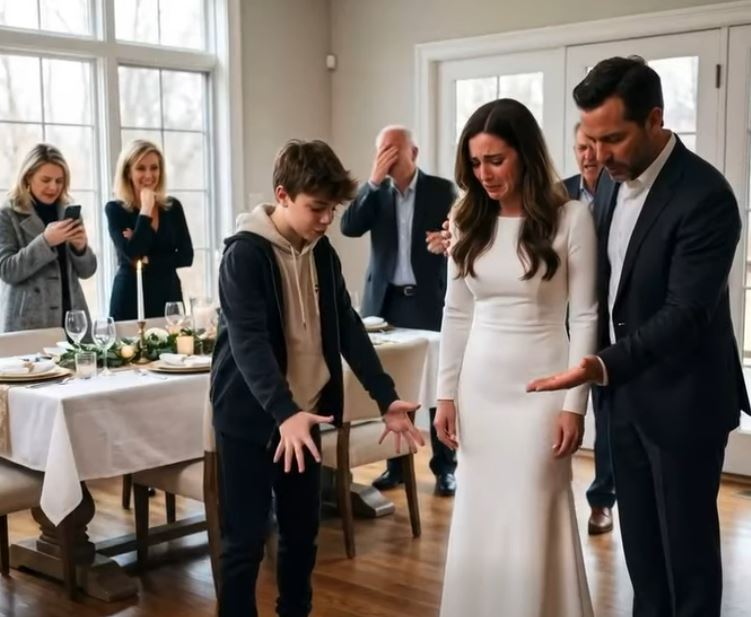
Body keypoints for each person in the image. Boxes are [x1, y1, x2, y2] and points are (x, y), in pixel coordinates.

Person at [528, 56, 751, 617]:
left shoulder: (706, 196)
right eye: (590, 140)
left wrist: (601, 365)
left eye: (613, 138)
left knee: (687, 562)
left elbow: (686, 313)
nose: (598, 156)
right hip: (623, 401)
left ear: (655, 119)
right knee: (643, 557)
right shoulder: (607, 184)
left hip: (685, 403)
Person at [210, 139, 425, 617]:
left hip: (305, 417)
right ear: (282, 195)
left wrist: (386, 398)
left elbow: (347, 326)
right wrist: (283, 412)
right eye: (317, 208)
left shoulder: (322, 252)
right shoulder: (244, 255)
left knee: (301, 534)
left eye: (332, 209)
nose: (327, 219)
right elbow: (248, 343)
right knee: (244, 541)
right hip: (250, 417)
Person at [434, 98, 597, 617]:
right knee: (481, 513)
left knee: (533, 508)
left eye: (496, 160)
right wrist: (444, 396)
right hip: (479, 392)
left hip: (543, 391)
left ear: (525, 155)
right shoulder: (465, 218)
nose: (484, 174)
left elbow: (587, 317)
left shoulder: (571, 218)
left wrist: (574, 404)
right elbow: (456, 312)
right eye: (475, 163)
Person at [340, 125, 459, 496]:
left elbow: (459, 232)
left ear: (414, 153)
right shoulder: (375, 194)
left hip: (428, 301)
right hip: (385, 304)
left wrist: (448, 239)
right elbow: (348, 227)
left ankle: (445, 468)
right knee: (393, 383)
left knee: (438, 382)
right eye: (381, 150)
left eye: (394, 150)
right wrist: (373, 182)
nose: (387, 157)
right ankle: (397, 466)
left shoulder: (441, 190)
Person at [564, 123, 616, 535]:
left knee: (608, 417)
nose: (589, 155)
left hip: (615, 321)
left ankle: (602, 500)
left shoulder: (623, 189)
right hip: (571, 321)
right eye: (582, 147)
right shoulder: (558, 195)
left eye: (595, 147)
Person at [0, 143, 96, 332]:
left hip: (73, 320)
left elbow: (87, 271)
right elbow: (6, 270)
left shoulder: (69, 212)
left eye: (59, 181)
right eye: (46, 180)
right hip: (28, 323)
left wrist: (81, 249)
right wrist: (45, 242)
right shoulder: (7, 215)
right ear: (28, 177)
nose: (53, 187)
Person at [105, 139, 193, 320]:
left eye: (154, 168)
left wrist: (147, 259)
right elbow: (132, 254)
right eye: (140, 168)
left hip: (169, 296)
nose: (149, 175)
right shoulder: (115, 210)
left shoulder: (173, 207)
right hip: (130, 298)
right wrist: (145, 211)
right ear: (128, 172)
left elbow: (186, 256)